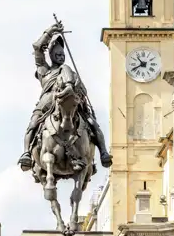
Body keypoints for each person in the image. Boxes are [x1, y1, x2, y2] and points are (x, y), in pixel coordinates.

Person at [18, 21, 112, 170]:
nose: (61, 57)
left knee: (93, 124)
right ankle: (27, 153)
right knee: (33, 123)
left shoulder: (71, 72)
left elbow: (83, 91)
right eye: (57, 55)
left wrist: (78, 90)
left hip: (73, 102)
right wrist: (50, 32)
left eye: (62, 55)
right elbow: (37, 48)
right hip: (47, 103)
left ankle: (102, 153)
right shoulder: (44, 70)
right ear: (51, 56)